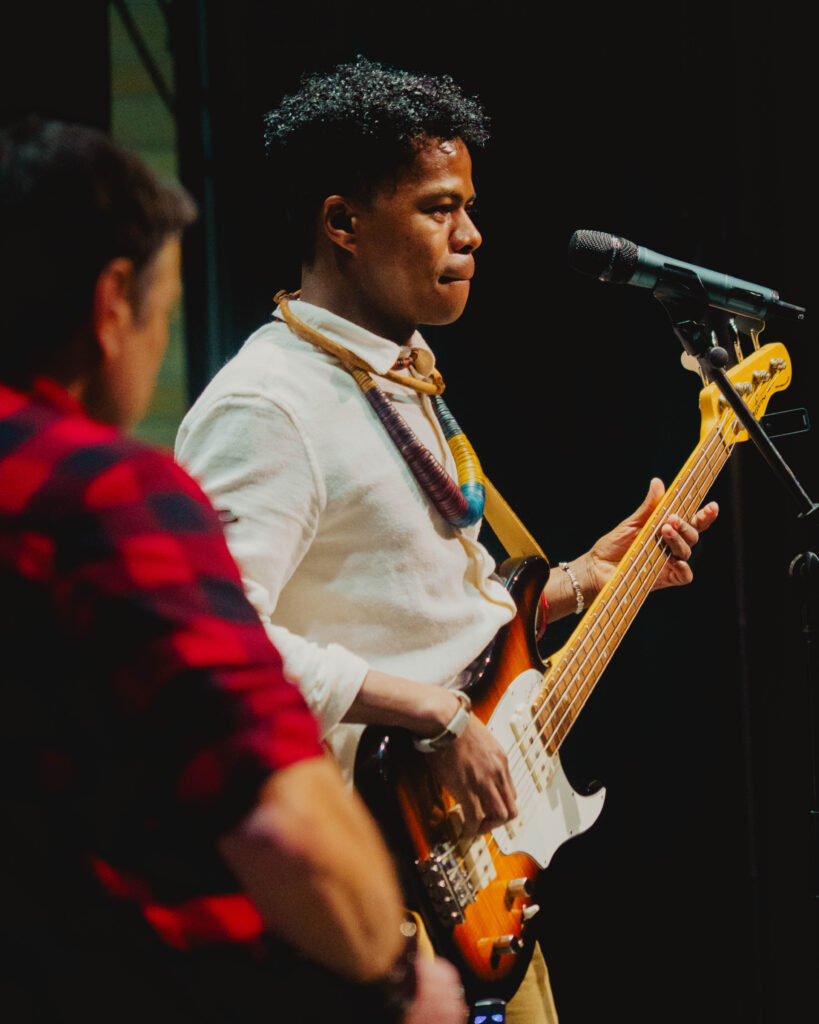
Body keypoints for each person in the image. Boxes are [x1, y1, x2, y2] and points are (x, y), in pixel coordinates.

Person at [175, 57, 719, 1022]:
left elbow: (402, 603)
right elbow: (214, 645)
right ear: (342, 223)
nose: (471, 234)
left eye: (467, 205)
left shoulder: (397, 371)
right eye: (438, 208)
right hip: (370, 900)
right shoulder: (270, 404)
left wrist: (572, 585)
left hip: (468, 885)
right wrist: (432, 713)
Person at [0, 118, 468, 1024]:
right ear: (110, 306)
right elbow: (277, 814)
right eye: (164, 314)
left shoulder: (403, 380)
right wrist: (401, 979)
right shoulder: (104, 493)